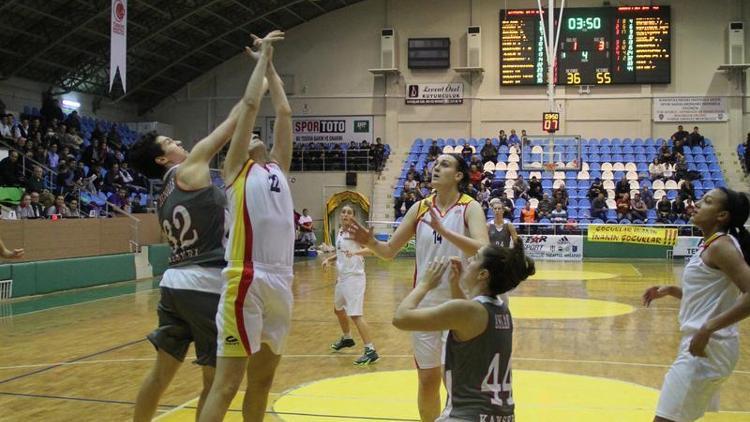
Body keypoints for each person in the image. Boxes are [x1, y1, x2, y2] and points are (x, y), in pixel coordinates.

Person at [129, 35, 274, 422]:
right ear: (163, 158)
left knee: (160, 375)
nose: (178, 142)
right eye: (170, 141)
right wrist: (260, 79)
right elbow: (237, 115)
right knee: (216, 382)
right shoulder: (190, 169)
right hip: (205, 284)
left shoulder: (160, 196)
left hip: (172, 284)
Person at [347, 152, 489, 422]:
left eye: (444, 165)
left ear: (458, 176)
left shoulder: (470, 207)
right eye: (435, 164)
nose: (436, 168)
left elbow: (483, 247)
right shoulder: (420, 207)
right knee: (427, 381)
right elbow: (389, 252)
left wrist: (446, 232)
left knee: (456, 384)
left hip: (460, 305)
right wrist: (371, 242)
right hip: (424, 305)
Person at [198, 30, 292, 422]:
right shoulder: (235, 170)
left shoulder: (278, 168)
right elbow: (252, 104)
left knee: (263, 382)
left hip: (281, 280)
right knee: (227, 384)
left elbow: (283, 112)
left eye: (257, 135)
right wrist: (261, 57)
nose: (253, 135)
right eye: (249, 133)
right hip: (246, 278)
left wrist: (270, 67)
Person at [392, 242, 535, 421]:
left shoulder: (468, 312)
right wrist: (455, 283)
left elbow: (400, 318)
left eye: (474, 259)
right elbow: (465, 325)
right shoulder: (502, 310)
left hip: (468, 416)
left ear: (483, 274)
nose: (468, 261)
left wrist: (424, 284)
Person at [643, 188, 750, 422]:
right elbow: (711, 298)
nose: (698, 203)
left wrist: (709, 327)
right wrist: (673, 291)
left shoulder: (721, 246)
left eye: (708, 202)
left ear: (722, 216)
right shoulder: (710, 244)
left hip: (707, 347)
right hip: (703, 344)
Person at [322, 205, 379, 365]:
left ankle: (371, 350)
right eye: (343, 212)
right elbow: (341, 252)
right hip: (342, 278)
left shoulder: (356, 233)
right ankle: (347, 338)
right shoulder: (340, 232)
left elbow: (372, 250)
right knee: (338, 310)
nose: (345, 214)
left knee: (355, 315)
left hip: (355, 278)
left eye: (349, 212)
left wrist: (356, 253)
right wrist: (330, 259)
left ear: (353, 217)